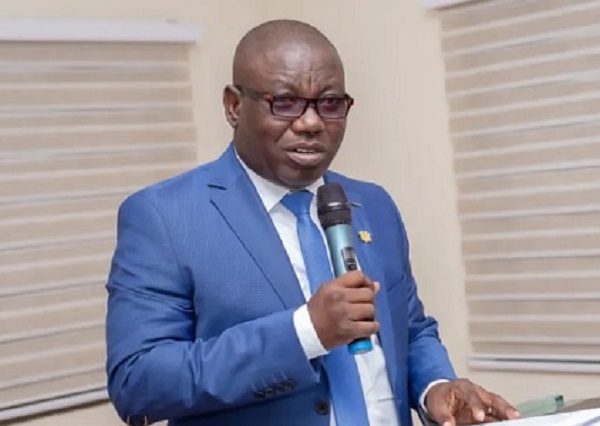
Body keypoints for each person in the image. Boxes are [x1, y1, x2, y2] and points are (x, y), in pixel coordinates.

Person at [105, 19, 520, 426]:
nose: (311, 123)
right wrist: (305, 332)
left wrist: (436, 388)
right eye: (285, 102)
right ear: (234, 106)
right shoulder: (165, 216)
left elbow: (409, 331)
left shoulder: (374, 204)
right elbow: (138, 382)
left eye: (330, 103)